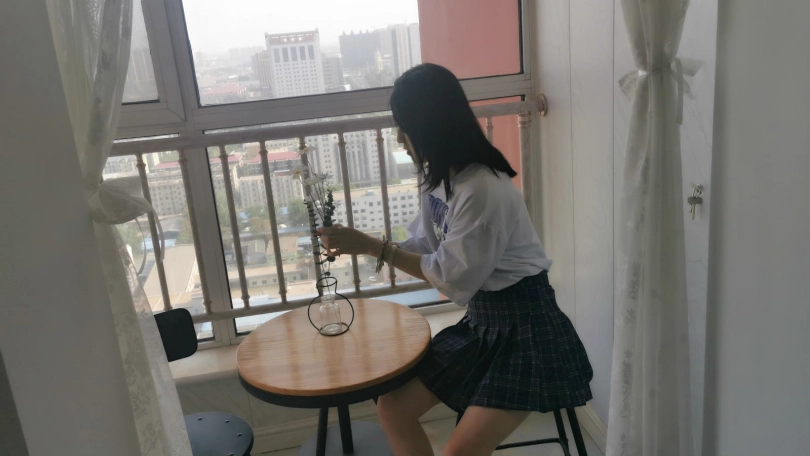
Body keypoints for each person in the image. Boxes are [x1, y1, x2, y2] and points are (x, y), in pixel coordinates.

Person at [317, 63, 593, 456]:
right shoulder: (440, 179)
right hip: (484, 324)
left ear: (429, 126)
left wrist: (375, 248)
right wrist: (365, 245)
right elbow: (428, 245)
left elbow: (450, 278)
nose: (398, 138)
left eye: (404, 126)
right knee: (393, 407)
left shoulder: (483, 189)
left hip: (528, 332)